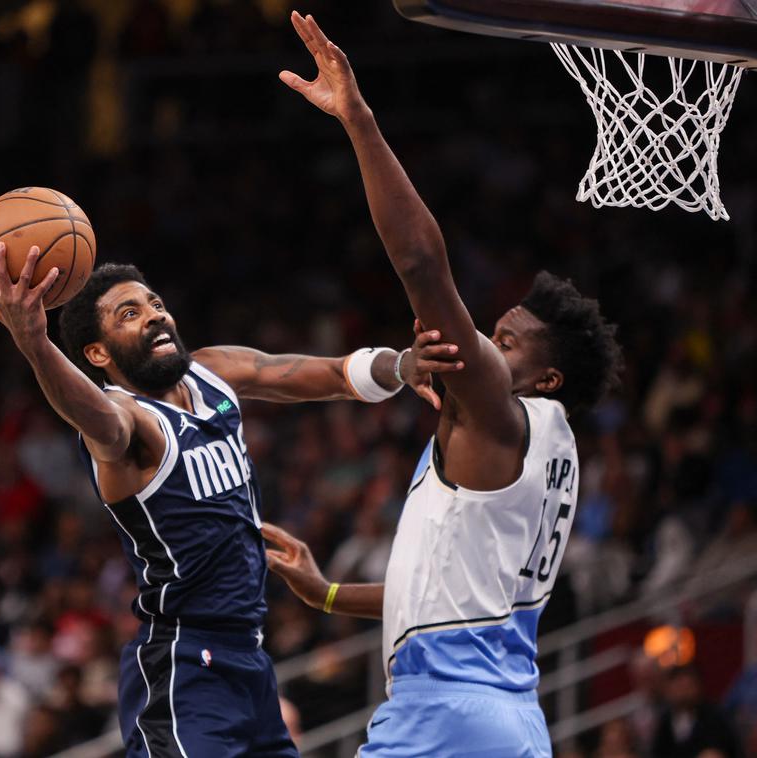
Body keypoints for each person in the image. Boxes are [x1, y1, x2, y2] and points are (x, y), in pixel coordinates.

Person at [265, 11, 623, 756]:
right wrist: (326, 593)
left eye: (503, 343)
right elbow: (437, 599)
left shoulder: (504, 418)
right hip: (514, 723)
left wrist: (359, 120)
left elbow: (423, 267)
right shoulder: (545, 451)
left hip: (445, 716)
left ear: (545, 377)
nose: (485, 349)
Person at [0, 237, 463, 753]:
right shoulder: (127, 420)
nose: (155, 317)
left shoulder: (210, 371)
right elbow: (93, 416)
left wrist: (401, 365)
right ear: (98, 353)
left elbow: (329, 373)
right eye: (130, 314)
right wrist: (34, 342)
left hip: (249, 658)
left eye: (156, 304)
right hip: (184, 665)